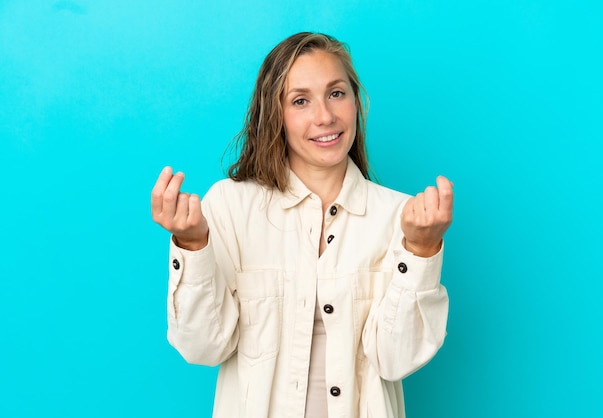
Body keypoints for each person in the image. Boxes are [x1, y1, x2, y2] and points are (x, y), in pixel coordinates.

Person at [151, 32, 453, 418]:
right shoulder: (229, 205)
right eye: (300, 101)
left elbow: (396, 360)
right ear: (274, 113)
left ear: (356, 101)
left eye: (336, 93)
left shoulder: (401, 217)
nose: (324, 116)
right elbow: (203, 348)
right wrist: (192, 244)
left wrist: (422, 250)